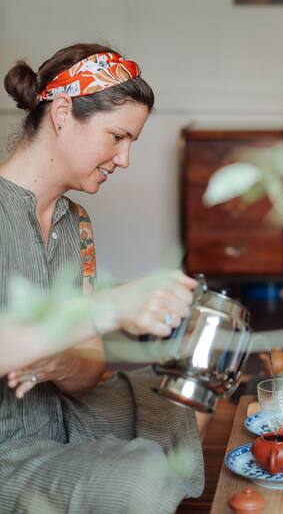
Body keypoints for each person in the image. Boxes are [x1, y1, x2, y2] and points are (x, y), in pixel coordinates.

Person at [0, 43, 204, 513]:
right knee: (141, 479)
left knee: (174, 400)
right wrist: (108, 307)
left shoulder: (77, 223)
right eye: (117, 136)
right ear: (63, 113)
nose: (124, 159)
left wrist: (57, 364)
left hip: (60, 416)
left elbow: (90, 371)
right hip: (7, 446)